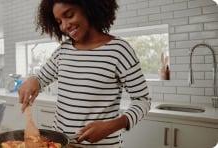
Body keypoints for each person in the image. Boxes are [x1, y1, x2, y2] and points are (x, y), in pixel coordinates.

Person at [18, 0, 151, 147]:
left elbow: (142, 99)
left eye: (69, 15)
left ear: (88, 7)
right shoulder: (64, 50)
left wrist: (112, 125)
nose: (65, 25)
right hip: (62, 144)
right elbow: (41, 78)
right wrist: (33, 80)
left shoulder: (119, 50)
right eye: (59, 21)